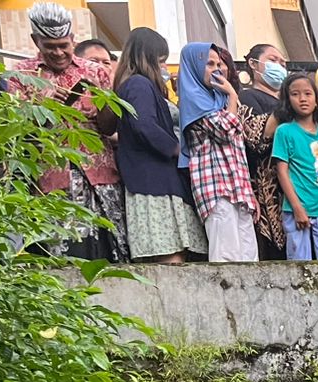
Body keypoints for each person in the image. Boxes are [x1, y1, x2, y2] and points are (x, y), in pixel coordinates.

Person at [8, 4, 127, 261]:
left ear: (73, 39)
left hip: (100, 176)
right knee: (64, 257)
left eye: (64, 44)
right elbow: (19, 134)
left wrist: (104, 100)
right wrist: (44, 107)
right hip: (53, 180)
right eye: (50, 47)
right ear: (35, 41)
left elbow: (109, 127)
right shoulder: (22, 75)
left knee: (110, 253)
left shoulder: (95, 71)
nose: (59, 52)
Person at [114, 28, 206, 263]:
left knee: (174, 257)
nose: (164, 68)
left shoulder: (135, 86)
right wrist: (176, 150)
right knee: (169, 258)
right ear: (148, 59)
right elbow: (143, 125)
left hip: (157, 182)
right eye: (162, 61)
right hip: (154, 184)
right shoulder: (138, 85)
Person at [180, 43, 257, 262]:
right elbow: (224, 131)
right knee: (227, 258)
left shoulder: (219, 99)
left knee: (249, 258)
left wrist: (248, 193)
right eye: (209, 63)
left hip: (238, 189)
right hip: (216, 190)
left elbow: (237, 149)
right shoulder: (194, 99)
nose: (217, 69)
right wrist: (233, 95)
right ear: (194, 66)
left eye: (219, 64)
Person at [272, 71, 318, 261]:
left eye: (308, 94)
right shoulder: (285, 131)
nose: (302, 99)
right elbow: (282, 172)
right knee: (299, 264)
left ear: (317, 100)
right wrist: (297, 207)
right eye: (295, 94)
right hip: (296, 208)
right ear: (288, 100)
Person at [238, 43, 288, 260]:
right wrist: (283, 111)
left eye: (283, 63)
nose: (279, 66)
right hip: (267, 192)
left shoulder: (291, 100)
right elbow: (255, 140)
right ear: (253, 64)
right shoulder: (248, 97)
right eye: (272, 60)